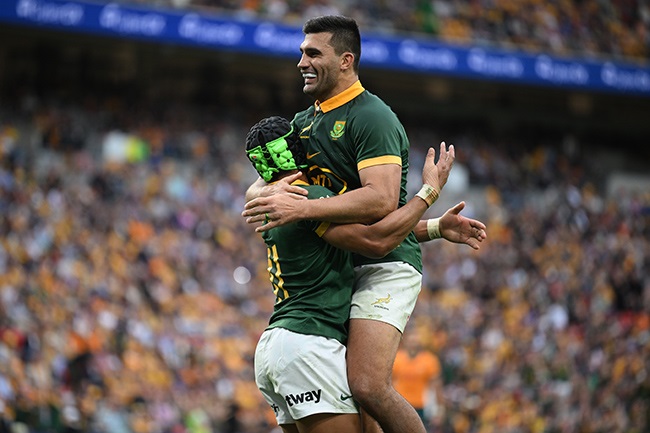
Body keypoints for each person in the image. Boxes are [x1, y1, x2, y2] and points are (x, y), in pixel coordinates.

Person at [242, 15, 487, 433]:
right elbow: (265, 187)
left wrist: (302, 209)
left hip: (386, 265)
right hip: (349, 259)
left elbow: (380, 202)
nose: (301, 60)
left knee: (368, 384)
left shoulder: (373, 116)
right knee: (355, 405)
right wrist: (432, 228)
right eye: (301, 51)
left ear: (345, 60)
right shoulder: (303, 122)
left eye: (313, 52)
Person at [244, 115, 455, 433]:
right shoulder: (308, 198)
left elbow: (364, 234)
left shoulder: (272, 200)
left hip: (276, 347)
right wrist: (428, 193)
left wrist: (436, 227)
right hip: (309, 343)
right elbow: (376, 240)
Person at [392, 328, 444, 432]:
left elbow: (436, 386)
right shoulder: (397, 358)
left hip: (421, 405)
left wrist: (438, 409)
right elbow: (390, 383)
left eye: (415, 341)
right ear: (406, 342)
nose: (413, 344)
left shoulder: (429, 360)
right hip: (401, 404)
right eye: (411, 341)